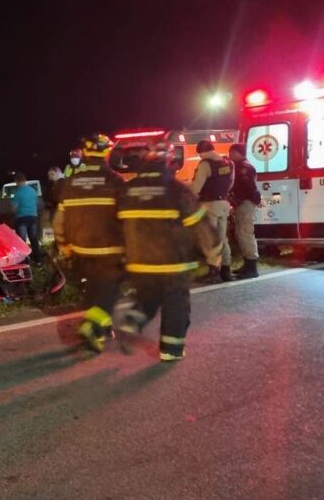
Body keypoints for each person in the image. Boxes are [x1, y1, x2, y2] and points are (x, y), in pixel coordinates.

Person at [117, 141, 219, 361]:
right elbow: (199, 225)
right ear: (169, 161)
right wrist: (213, 249)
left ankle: (131, 322)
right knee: (176, 302)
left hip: (137, 261)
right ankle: (171, 349)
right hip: (172, 262)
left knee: (147, 297)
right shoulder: (176, 190)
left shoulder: (128, 190)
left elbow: (114, 226)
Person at [53, 134, 124, 352]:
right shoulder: (116, 181)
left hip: (80, 250)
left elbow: (59, 220)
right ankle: (92, 325)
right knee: (111, 288)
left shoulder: (70, 183)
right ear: (107, 153)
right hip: (109, 249)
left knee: (95, 287)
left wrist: (64, 246)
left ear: (84, 154)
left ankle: (104, 328)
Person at [190, 138, 235, 283]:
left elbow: (196, 188)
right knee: (222, 237)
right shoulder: (228, 163)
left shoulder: (205, 164)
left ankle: (213, 272)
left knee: (210, 239)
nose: (199, 157)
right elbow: (230, 183)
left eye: (199, 154)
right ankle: (226, 270)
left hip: (209, 204)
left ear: (202, 152)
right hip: (224, 203)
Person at [228, 142, 261, 279]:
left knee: (245, 233)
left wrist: (252, 200)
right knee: (241, 234)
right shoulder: (242, 166)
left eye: (231, 153)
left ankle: (252, 267)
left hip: (245, 204)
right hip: (242, 204)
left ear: (236, 153)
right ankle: (247, 265)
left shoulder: (244, 168)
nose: (230, 156)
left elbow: (250, 188)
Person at [10, 172, 42, 262]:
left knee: (22, 240)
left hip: (21, 218)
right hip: (33, 217)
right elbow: (37, 203)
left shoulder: (18, 192)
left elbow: (13, 208)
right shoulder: (32, 190)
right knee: (34, 238)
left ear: (16, 181)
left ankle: (24, 260)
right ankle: (37, 259)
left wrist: (15, 213)